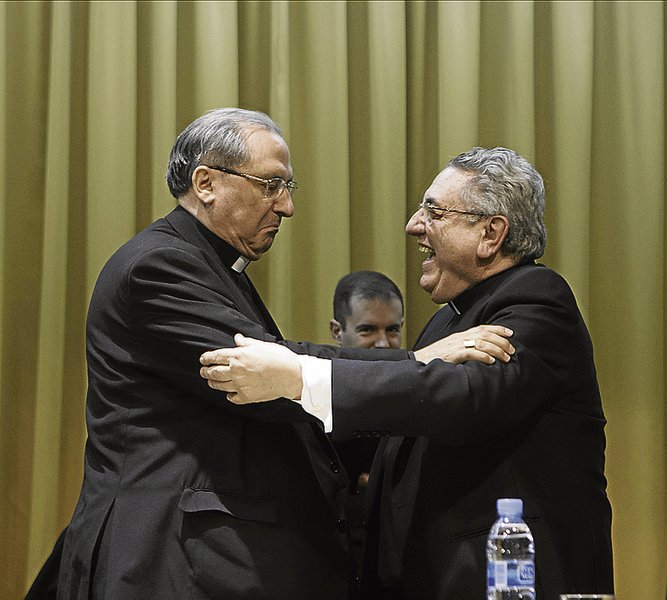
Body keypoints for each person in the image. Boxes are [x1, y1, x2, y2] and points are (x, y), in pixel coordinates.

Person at [57, 109, 514, 600]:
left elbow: (282, 369)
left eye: (288, 187)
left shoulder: (212, 263)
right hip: (163, 559)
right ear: (206, 182)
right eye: (271, 185)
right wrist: (419, 361)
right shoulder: (159, 265)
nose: (286, 207)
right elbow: (265, 374)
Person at [200, 147, 614, 599]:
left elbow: (462, 398)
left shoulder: (537, 299)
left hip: (510, 581)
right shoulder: (449, 319)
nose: (414, 224)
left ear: (491, 234)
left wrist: (300, 378)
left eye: (434, 211)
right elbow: (400, 412)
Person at [328, 271, 405, 577]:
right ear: (337, 332)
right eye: (368, 330)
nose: (384, 344)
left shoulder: (416, 396)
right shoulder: (313, 397)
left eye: (393, 329)